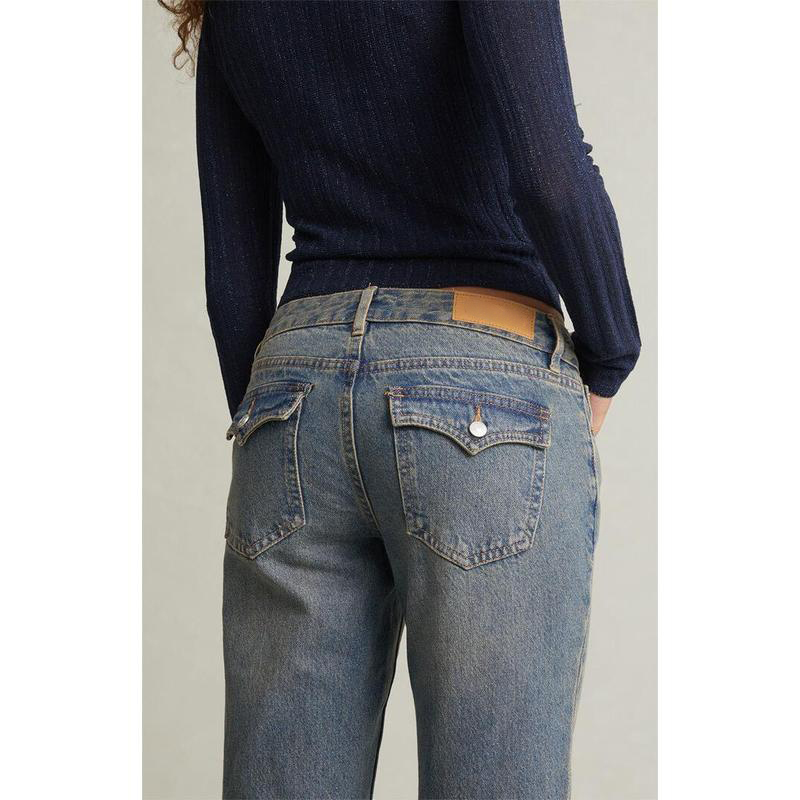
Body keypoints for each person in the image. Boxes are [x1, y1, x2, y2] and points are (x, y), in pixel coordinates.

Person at [162, 2, 641, 798]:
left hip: (293, 383)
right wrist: (613, 347)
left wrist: (276, 420)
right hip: (481, 376)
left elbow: (233, 269)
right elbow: (551, 172)